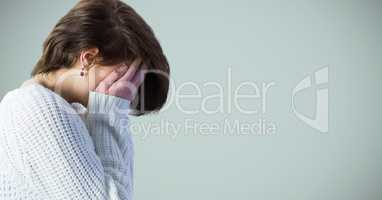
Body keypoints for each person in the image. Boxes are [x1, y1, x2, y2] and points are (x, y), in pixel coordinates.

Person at [0, 0, 170, 199]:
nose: (125, 94)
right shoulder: (35, 107)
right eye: (124, 77)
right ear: (88, 58)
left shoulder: (82, 114)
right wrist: (108, 115)